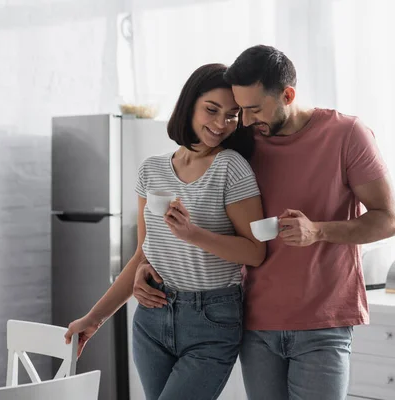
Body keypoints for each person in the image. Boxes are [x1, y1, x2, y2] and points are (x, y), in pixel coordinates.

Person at [135, 45, 395, 399]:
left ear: (287, 95)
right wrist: (150, 264)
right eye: (240, 110)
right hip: (255, 321)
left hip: (324, 321)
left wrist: (319, 230)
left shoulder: (347, 135)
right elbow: (202, 204)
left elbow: (388, 219)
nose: (243, 120)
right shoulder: (245, 143)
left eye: (254, 109)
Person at [64, 63, 265, 400]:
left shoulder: (232, 167)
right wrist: (94, 319)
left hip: (211, 320)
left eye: (232, 115)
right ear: (189, 105)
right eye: (211, 110)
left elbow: (255, 252)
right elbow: (144, 253)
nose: (220, 124)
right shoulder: (152, 170)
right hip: (153, 317)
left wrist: (193, 234)